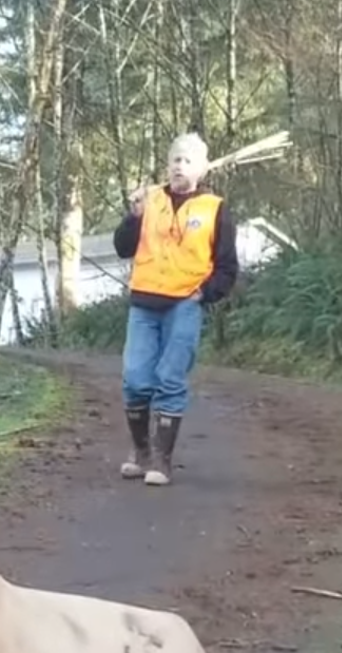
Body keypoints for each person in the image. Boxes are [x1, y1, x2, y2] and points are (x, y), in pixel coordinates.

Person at [111, 132, 240, 487]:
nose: (178, 165)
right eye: (174, 160)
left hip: (185, 303)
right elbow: (123, 248)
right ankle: (140, 454)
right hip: (144, 302)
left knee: (170, 378)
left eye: (186, 160)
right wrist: (133, 217)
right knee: (136, 378)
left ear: (200, 168)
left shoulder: (214, 208)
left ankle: (162, 461)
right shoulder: (149, 201)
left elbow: (227, 265)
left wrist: (205, 293)